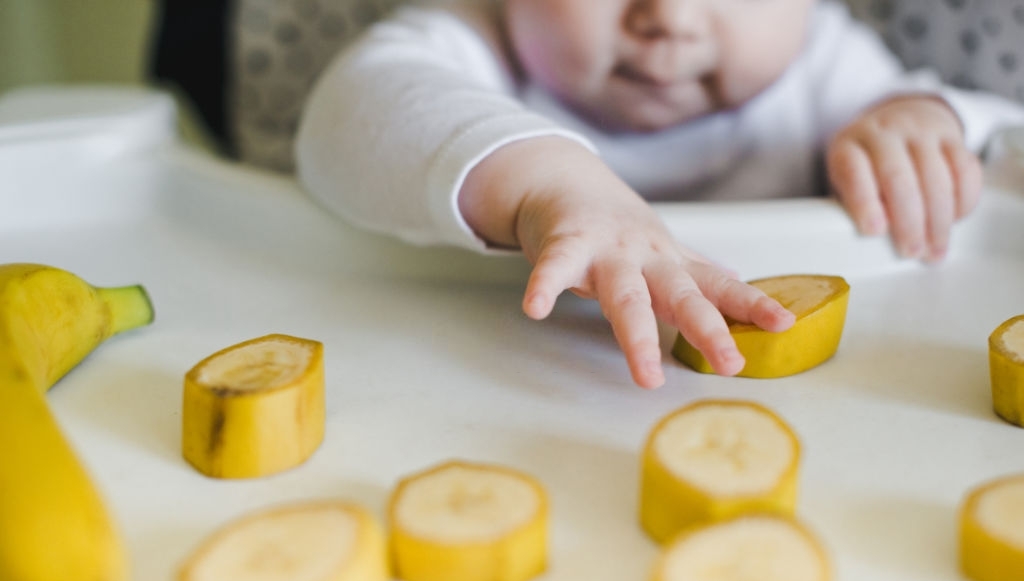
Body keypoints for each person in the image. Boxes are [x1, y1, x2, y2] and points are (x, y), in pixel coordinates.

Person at [294, 0, 1024, 390]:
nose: (671, 17)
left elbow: (993, 141)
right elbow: (343, 120)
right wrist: (548, 182)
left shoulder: (823, 60)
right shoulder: (468, 35)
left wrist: (922, 125)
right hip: (500, 386)